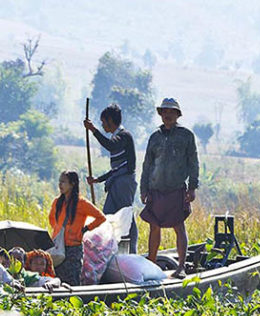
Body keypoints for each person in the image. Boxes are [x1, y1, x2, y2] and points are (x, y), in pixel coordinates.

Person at [139, 97, 199, 277]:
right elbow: (147, 164)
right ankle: (151, 264)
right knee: (154, 226)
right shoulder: (155, 137)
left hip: (176, 188)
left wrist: (192, 187)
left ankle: (181, 267)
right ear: (161, 114)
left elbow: (193, 162)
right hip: (156, 188)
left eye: (172, 111)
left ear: (177, 114)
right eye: (165, 111)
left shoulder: (186, 136)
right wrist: (144, 189)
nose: (168, 115)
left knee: (178, 226)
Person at [83, 103, 138, 254]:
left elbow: (110, 146)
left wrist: (93, 130)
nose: (102, 125)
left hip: (124, 182)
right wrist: (98, 180)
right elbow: (115, 170)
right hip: (116, 181)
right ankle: (107, 252)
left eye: (103, 122)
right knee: (107, 217)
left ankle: (132, 252)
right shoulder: (117, 136)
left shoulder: (123, 136)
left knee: (126, 217)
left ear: (110, 120)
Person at [49, 170, 106, 286]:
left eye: (63, 182)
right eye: (59, 182)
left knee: (72, 280)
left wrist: (85, 229)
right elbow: (51, 220)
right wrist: (58, 232)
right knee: (56, 279)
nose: (60, 185)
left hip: (73, 249)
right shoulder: (57, 202)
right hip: (58, 247)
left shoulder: (81, 203)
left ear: (72, 184)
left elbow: (101, 217)